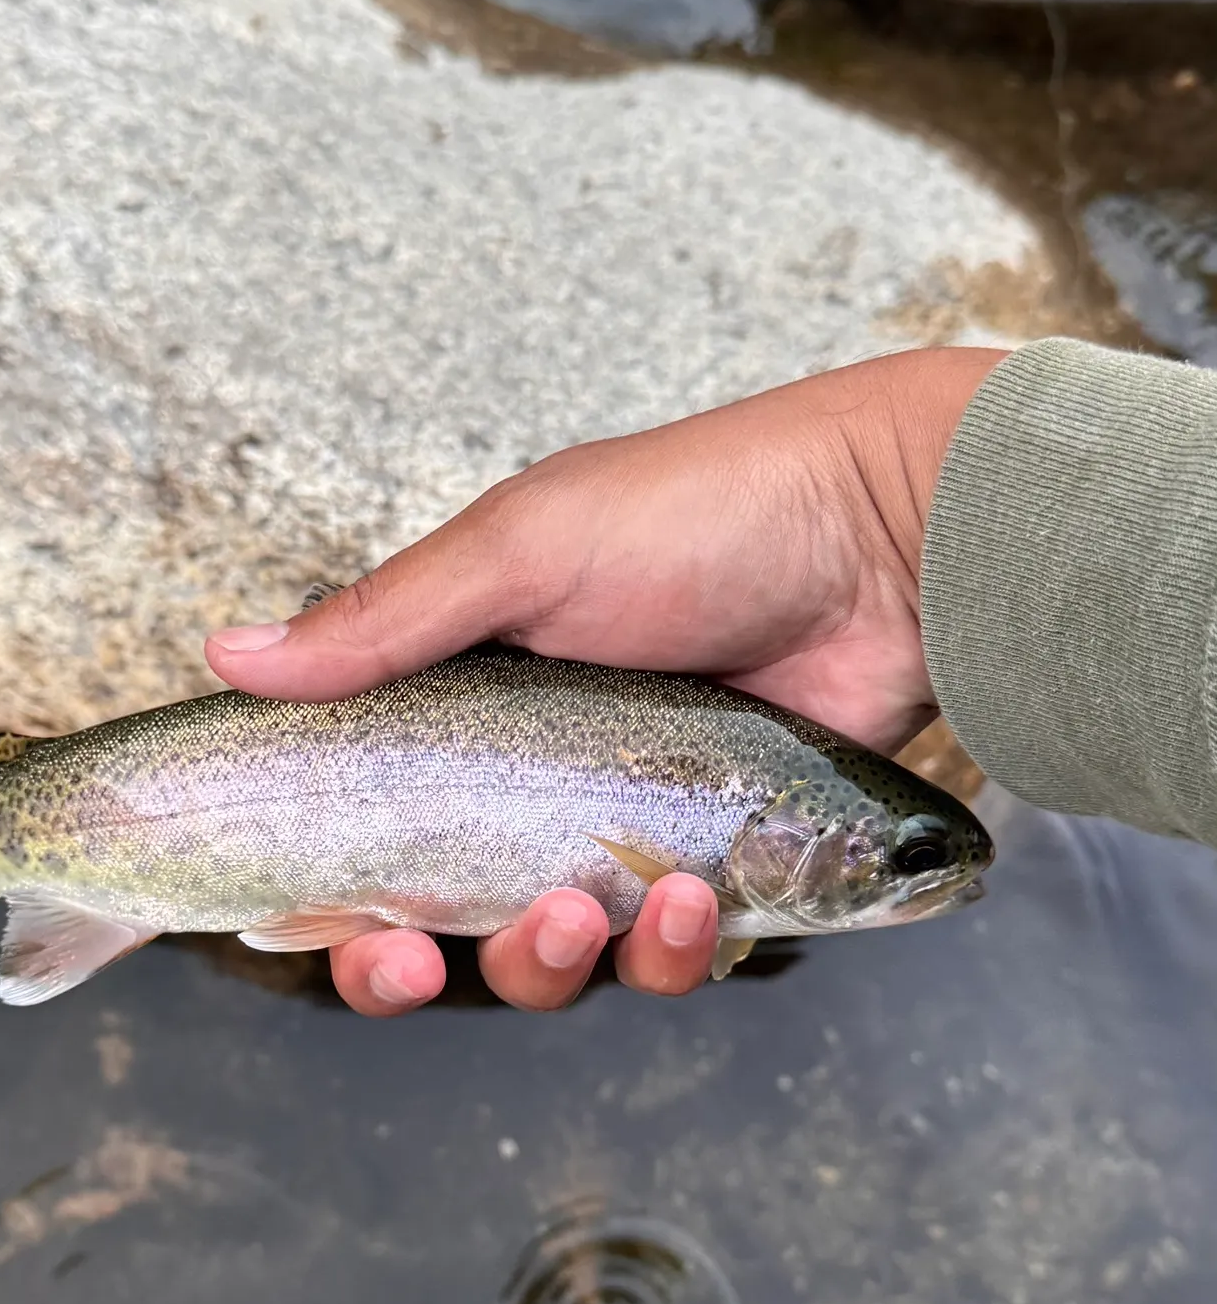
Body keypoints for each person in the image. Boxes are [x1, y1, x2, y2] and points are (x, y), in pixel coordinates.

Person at [205, 337, 1217, 1016]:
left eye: (904, 854)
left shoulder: (771, 765)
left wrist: (886, 510)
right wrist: (872, 509)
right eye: (900, 851)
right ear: (791, 831)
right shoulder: (765, 755)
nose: (926, 870)